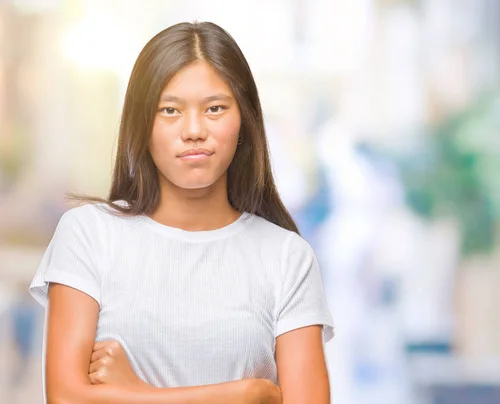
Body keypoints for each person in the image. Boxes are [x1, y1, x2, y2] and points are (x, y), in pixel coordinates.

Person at [29, 21, 334, 404]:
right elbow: (67, 398)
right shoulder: (88, 235)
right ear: (142, 122)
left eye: (215, 108)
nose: (193, 130)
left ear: (245, 120)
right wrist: (244, 394)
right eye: (170, 110)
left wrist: (134, 392)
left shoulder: (287, 258)